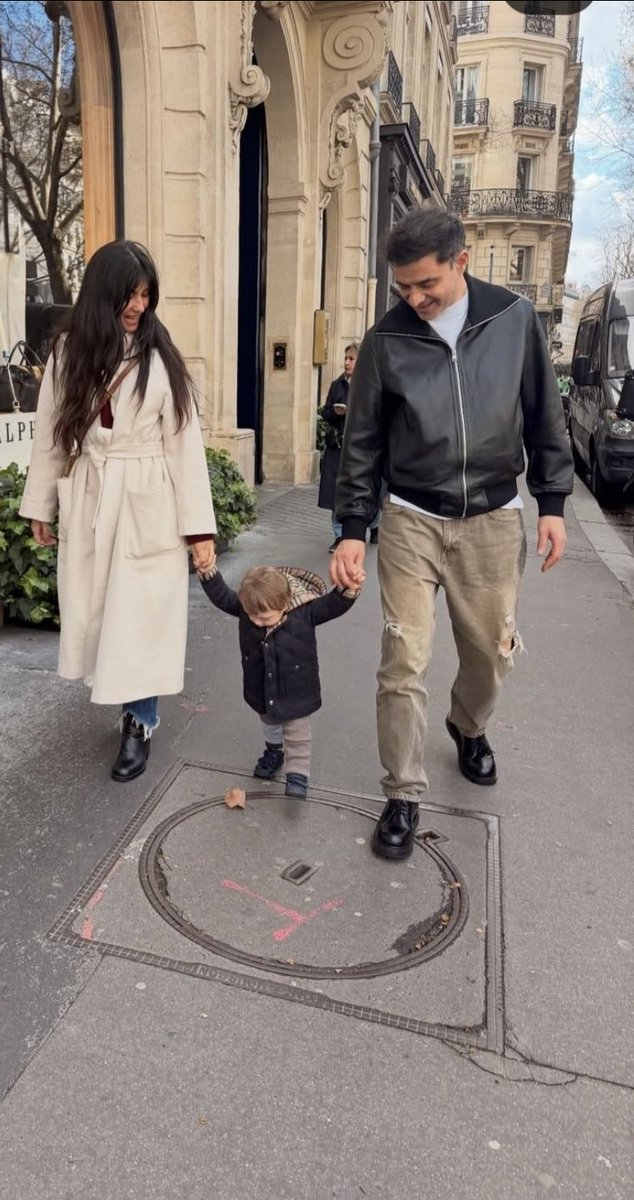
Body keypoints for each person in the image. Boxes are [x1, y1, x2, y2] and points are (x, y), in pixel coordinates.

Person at [330, 207, 573, 861]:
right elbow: (362, 441)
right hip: (411, 518)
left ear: (460, 262)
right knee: (402, 659)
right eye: (402, 287)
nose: (414, 299)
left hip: (493, 519)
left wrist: (552, 502)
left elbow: (543, 412)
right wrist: (351, 527)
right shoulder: (386, 339)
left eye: (426, 284)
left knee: (489, 654)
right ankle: (403, 792)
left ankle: (467, 724)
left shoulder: (512, 319)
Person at [20, 240, 217, 783]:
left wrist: (199, 530)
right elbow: (51, 436)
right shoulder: (68, 353)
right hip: (92, 492)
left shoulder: (159, 356)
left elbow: (184, 444)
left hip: (148, 496)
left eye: (146, 294)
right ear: (102, 295)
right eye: (129, 294)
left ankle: (140, 720)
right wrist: (40, 505)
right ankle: (127, 705)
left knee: (140, 616)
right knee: (100, 611)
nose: (138, 306)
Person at [196, 563, 360, 800]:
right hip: (261, 686)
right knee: (269, 722)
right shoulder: (248, 609)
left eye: (264, 618)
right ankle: (274, 751)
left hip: (297, 687)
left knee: (298, 734)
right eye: (252, 616)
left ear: (284, 605)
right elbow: (222, 596)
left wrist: (348, 589)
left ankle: (298, 775)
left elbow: (332, 606)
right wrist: (208, 573)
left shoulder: (306, 612)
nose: (256, 621)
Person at [317, 343, 379, 552]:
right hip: (337, 447)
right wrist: (335, 413)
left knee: (366, 491)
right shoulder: (337, 385)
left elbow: (376, 414)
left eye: (351, 359)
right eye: (345, 358)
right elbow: (325, 413)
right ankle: (339, 536)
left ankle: (374, 524)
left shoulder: (369, 384)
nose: (346, 363)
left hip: (361, 448)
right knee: (336, 492)